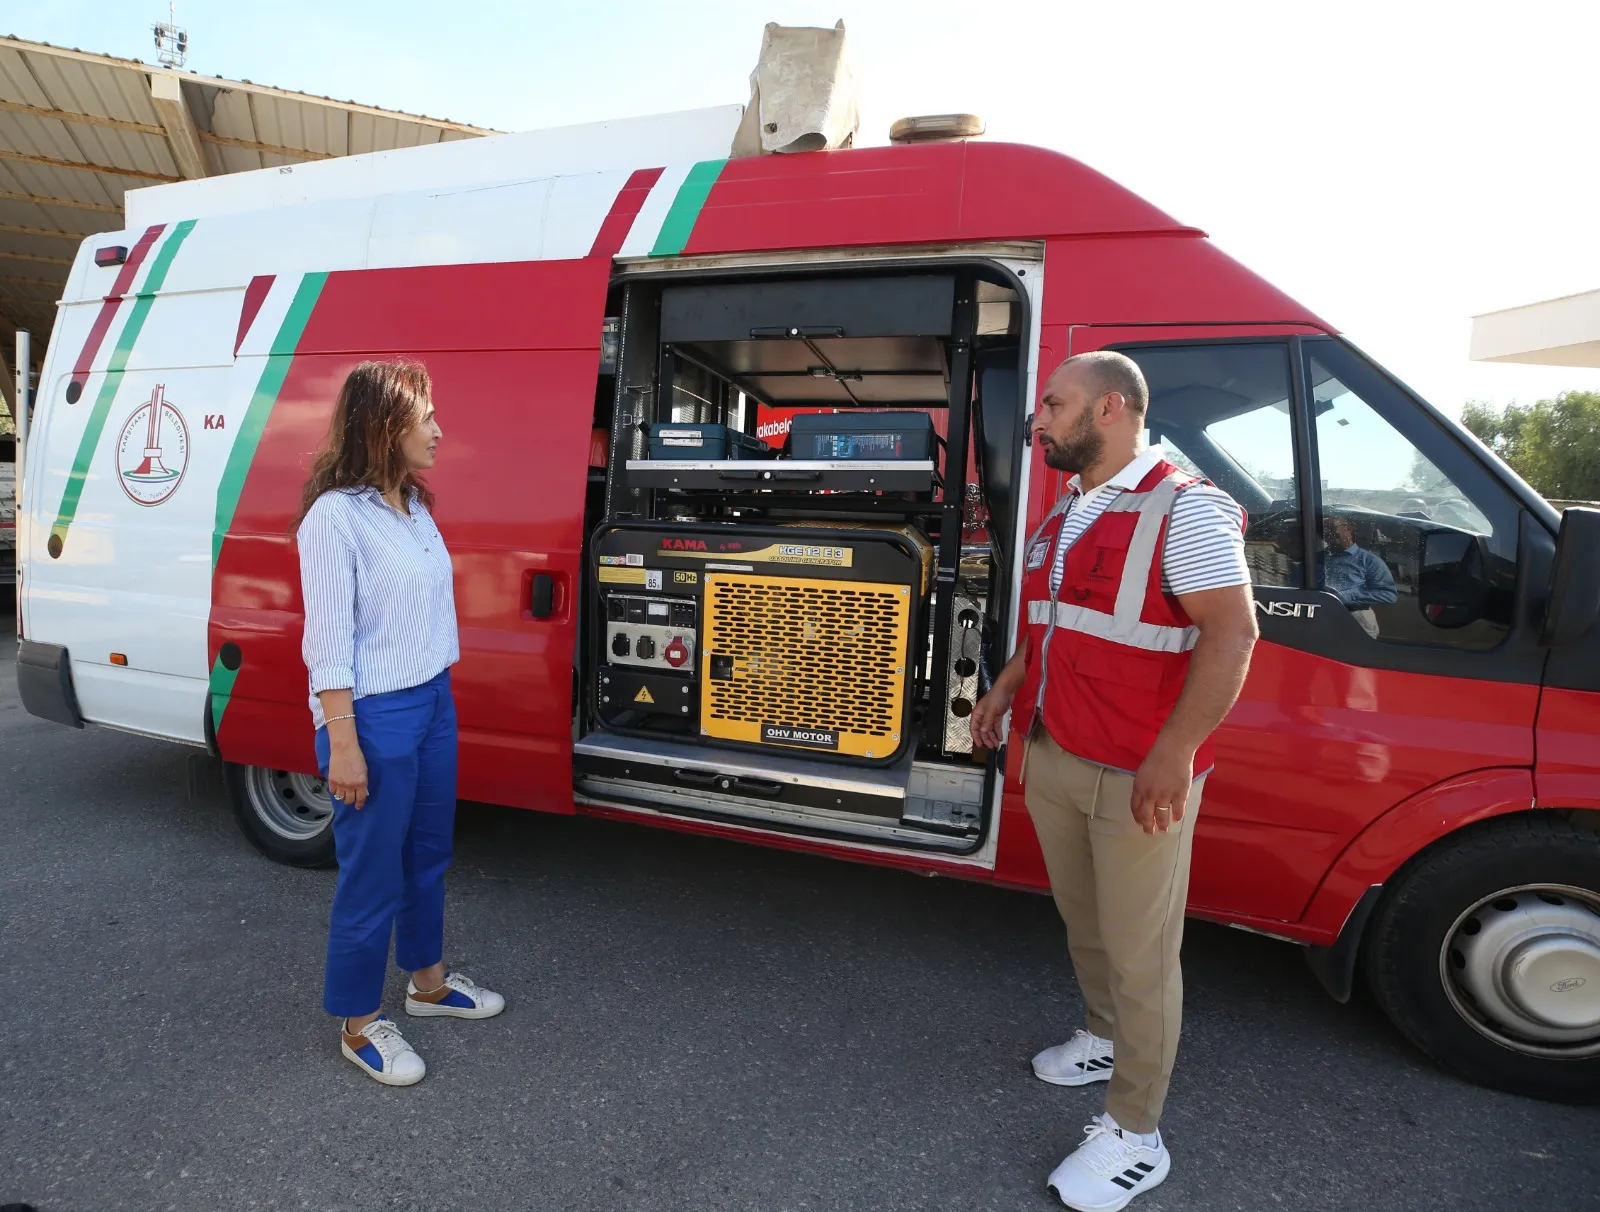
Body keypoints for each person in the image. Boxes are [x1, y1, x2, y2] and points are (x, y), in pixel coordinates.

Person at [971, 351, 1257, 1211]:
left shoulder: (1188, 507)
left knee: (1141, 957)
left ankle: (1137, 1133)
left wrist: (1174, 755)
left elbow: (1232, 636)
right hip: (1057, 752)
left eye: (1052, 404)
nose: (1038, 419)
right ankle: (1101, 1036)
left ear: (1109, 410)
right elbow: (1050, 628)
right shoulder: (1066, 510)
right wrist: (1006, 688)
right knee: (1086, 923)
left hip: (1141, 774)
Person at [294, 359, 504, 1087]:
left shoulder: (414, 506)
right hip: (373, 717)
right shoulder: (334, 518)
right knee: (371, 874)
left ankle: (428, 985)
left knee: (427, 857)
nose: (440, 431)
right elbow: (327, 641)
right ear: (386, 426)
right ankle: (357, 1025)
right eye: (427, 418)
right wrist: (343, 743)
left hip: (431, 701)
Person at [1319, 514, 1397, 639]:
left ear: (1348, 529)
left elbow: (1388, 594)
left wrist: (1347, 596)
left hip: (1356, 617)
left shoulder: (1369, 561)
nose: (1328, 534)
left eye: (1331, 529)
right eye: (1324, 531)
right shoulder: (1317, 558)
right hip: (1320, 616)